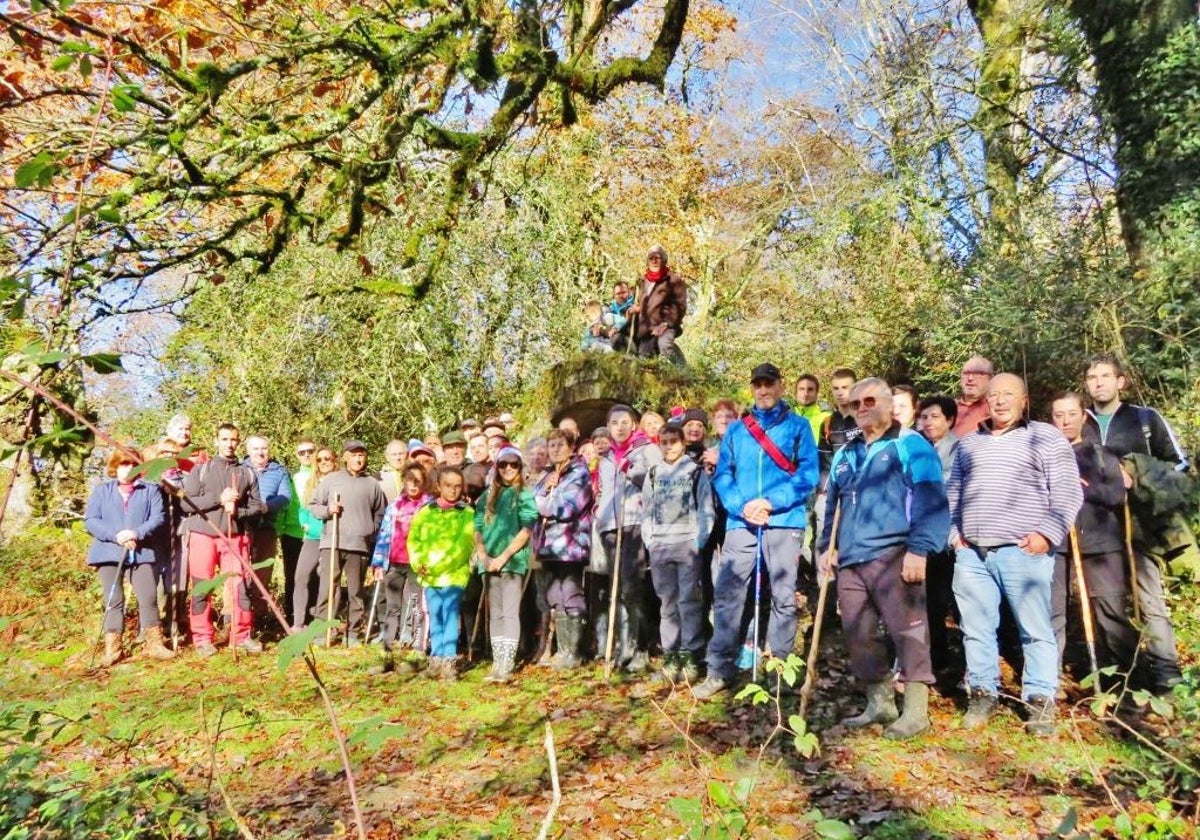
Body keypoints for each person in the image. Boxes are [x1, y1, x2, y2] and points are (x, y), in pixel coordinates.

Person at [947, 373, 1082, 735]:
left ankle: (1039, 700)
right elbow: (953, 493)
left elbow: (1068, 492)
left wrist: (1046, 534)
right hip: (973, 555)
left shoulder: (1044, 436)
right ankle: (982, 693)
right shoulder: (969, 443)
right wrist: (956, 536)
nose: (1000, 401)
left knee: (1035, 630)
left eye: (1009, 395)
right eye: (994, 395)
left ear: (1024, 401)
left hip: (1023, 553)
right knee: (975, 630)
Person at [817, 379, 949, 739]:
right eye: (856, 402)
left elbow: (931, 499)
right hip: (852, 559)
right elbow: (833, 507)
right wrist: (826, 547)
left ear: (890, 405)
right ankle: (880, 703)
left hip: (895, 553)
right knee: (858, 632)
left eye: (870, 400)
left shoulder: (911, 445)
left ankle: (917, 712)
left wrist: (919, 549)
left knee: (908, 632)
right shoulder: (846, 453)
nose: (861, 407)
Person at [693, 363, 819, 699]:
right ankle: (719, 669)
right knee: (728, 595)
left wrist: (770, 502)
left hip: (785, 521)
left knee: (783, 597)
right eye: (757, 385)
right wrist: (741, 505)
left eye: (769, 384)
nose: (763, 391)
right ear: (751, 389)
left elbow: (808, 475)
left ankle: (778, 670)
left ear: (780, 386)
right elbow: (723, 475)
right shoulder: (736, 431)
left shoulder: (799, 427)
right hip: (741, 523)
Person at [1082, 354, 1187, 692]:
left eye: (1106, 376)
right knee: (1107, 602)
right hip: (1097, 530)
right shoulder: (1078, 424)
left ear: (1120, 381)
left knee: (1149, 599)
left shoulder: (1145, 420)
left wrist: (1138, 474)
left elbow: (1179, 466)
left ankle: (1165, 672)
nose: (1099, 382)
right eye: (1093, 377)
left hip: (1139, 525)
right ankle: (1121, 672)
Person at [1049, 392, 1140, 685]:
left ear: (1083, 416)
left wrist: (1082, 489)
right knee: (1052, 613)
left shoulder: (1101, 453)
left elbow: (1116, 494)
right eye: (1058, 415)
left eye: (1071, 414)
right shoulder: (1046, 454)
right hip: (1056, 543)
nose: (1065, 421)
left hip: (1101, 544)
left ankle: (1128, 681)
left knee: (1111, 612)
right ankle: (1049, 679)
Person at [181, 423, 267, 657]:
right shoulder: (202, 469)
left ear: (238, 442)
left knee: (240, 587)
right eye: (225, 439)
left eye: (233, 440)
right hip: (204, 535)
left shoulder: (246, 472)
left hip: (235, 536)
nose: (229, 444)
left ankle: (241, 636)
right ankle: (202, 639)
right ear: (216, 440)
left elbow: (257, 507)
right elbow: (185, 503)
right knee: (202, 586)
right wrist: (217, 499)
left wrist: (237, 511)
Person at [643, 421, 715, 684]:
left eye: (674, 441)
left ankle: (691, 653)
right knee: (667, 604)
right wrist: (649, 540)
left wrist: (699, 542)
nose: (669, 446)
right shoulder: (653, 474)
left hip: (686, 545)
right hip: (660, 546)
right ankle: (671, 654)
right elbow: (647, 510)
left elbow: (707, 510)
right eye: (665, 442)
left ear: (683, 443)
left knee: (689, 601)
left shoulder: (695, 473)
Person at [85, 448, 172, 665]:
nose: (129, 469)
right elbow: (92, 520)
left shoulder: (150, 490)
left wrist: (136, 533)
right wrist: (117, 537)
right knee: (113, 600)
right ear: (115, 466)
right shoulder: (102, 491)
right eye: (124, 464)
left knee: (149, 597)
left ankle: (155, 644)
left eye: (133, 464)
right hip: (108, 552)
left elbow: (157, 518)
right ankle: (113, 649)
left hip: (142, 552)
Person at [595, 404, 662, 672]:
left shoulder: (646, 449)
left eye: (624, 422)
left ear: (634, 424)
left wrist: (631, 470)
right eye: (614, 423)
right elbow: (603, 490)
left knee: (634, 589)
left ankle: (641, 648)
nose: (619, 427)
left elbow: (657, 481)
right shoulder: (606, 456)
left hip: (634, 524)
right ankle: (624, 646)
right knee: (618, 589)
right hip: (611, 527)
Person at [309, 440, 388, 647]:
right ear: (345, 457)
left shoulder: (372, 484)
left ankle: (352, 632)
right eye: (353, 455)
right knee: (328, 588)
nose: (358, 459)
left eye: (361, 454)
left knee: (356, 591)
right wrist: (328, 510)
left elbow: (381, 512)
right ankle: (323, 630)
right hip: (332, 542)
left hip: (359, 545)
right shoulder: (332, 480)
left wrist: (370, 529)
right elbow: (313, 505)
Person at [474, 445, 538, 683]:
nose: (508, 469)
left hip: (512, 562)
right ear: (497, 467)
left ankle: (507, 663)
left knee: (510, 612)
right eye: (503, 464)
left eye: (513, 464)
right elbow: (478, 525)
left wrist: (504, 557)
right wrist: (483, 554)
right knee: (496, 613)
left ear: (520, 467)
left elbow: (527, 528)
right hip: (488, 562)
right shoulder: (488, 495)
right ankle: (497, 661)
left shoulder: (524, 493)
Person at [533, 429, 595, 668]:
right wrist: (544, 491)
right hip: (548, 546)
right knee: (554, 596)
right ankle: (563, 650)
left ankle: (576, 653)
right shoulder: (549, 475)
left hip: (571, 546)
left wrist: (542, 503)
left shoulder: (579, 473)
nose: (556, 449)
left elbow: (567, 507)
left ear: (571, 447)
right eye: (552, 446)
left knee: (570, 593)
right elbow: (533, 501)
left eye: (561, 445)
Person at [408, 466, 475, 680]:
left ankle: (449, 661)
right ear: (438, 486)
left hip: (454, 575)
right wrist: (419, 563)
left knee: (450, 615)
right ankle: (435, 658)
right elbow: (413, 540)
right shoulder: (425, 512)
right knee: (434, 615)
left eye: (457, 486)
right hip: (428, 576)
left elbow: (463, 546)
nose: (453, 490)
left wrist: (437, 566)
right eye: (448, 486)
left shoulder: (466, 513)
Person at [369, 463, 431, 674]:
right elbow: (384, 534)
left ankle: (416, 654)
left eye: (418, 481)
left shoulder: (429, 506)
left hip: (417, 565)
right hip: (394, 563)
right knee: (392, 609)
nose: (413, 485)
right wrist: (378, 562)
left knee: (415, 607)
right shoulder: (395, 505)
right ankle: (386, 655)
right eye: (409, 480)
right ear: (403, 480)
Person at [917, 395, 961, 677]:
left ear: (950, 420)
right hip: (924, 537)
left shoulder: (959, 449)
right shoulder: (918, 448)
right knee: (929, 601)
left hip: (951, 536)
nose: (928, 422)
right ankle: (937, 659)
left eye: (935, 417)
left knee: (956, 603)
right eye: (924, 417)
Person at [243, 435, 292, 627]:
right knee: (238, 571)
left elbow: (285, 496)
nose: (260, 452)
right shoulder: (239, 468)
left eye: (264, 448)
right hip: (243, 526)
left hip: (266, 527)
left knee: (263, 571)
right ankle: (235, 617)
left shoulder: (278, 471)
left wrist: (267, 507)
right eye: (255, 449)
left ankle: (260, 615)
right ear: (248, 450)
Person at [291, 446, 338, 631]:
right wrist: (304, 523)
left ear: (335, 460)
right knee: (301, 576)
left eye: (327, 458)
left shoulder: (340, 482)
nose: (323, 462)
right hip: (312, 536)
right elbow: (303, 508)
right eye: (319, 459)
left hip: (331, 537)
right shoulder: (312, 483)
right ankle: (298, 623)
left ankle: (325, 623)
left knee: (328, 581)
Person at [277, 440, 315, 627]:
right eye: (302, 452)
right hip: (293, 534)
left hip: (317, 535)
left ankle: (313, 617)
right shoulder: (291, 479)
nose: (307, 455)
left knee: (316, 576)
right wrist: (280, 530)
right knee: (292, 576)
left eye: (310, 451)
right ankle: (292, 617)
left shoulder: (324, 477)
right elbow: (285, 506)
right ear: (296, 455)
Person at [629, 245, 687, 363]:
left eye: (658, 258)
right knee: (644, 358)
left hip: (667, 325)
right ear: (647, 261)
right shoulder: (641, 282)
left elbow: (680, 307)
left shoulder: (674, 281)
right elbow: (639, 303)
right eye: (651, 258)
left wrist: (665, 324)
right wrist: (635, 308)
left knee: (664, 345)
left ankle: (682, 369)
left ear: (664, 260)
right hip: (646, 327)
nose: (654, 261)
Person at [953, 356, 995, 437]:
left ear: (991, 379)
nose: (970, 378)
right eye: (966, 373)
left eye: (978, 374)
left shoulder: (997, 409)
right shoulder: (948, 408)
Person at [794, 374, 831, 444]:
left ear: (817, 393)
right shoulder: (786, 415)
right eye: (802, 389)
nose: (806, 394)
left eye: (810, 389)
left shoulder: (827, 417)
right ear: (796, 392)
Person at [380, 439, 408, 504]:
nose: (398, 458)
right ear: (387, 457)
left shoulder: (415, 475)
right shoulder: (378, 479)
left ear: (407, 455)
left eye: (401, 454)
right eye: (394, 454)